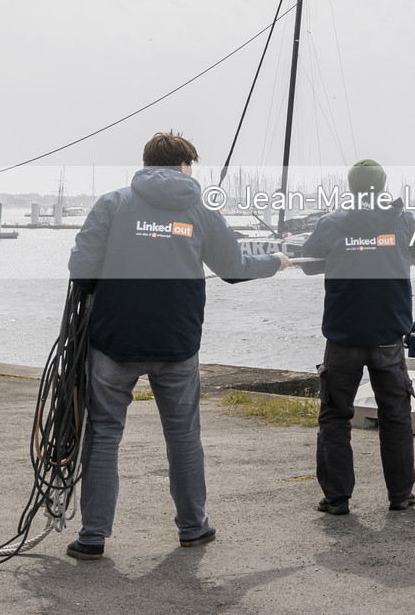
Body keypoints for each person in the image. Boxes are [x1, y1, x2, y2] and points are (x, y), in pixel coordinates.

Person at [65, 132, 291, 560]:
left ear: (147, 163)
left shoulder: (113, 204)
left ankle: (92, 537)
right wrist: (276, 262)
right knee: (183, 435)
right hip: (178, 344)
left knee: (104, 435)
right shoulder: (201, 210)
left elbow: (80, 267)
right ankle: (193, 528)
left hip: (113, 341)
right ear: (185, 165)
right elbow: (234, 267)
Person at [298, 159, 415, 515]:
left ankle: (336, 498)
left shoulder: (332, 222)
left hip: (342, 337)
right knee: (395, 417)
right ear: (381, 187)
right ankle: (400, 496)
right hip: (388, 339)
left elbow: (307, 261)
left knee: (335, 418)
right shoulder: (403, 220)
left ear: (351, 187)